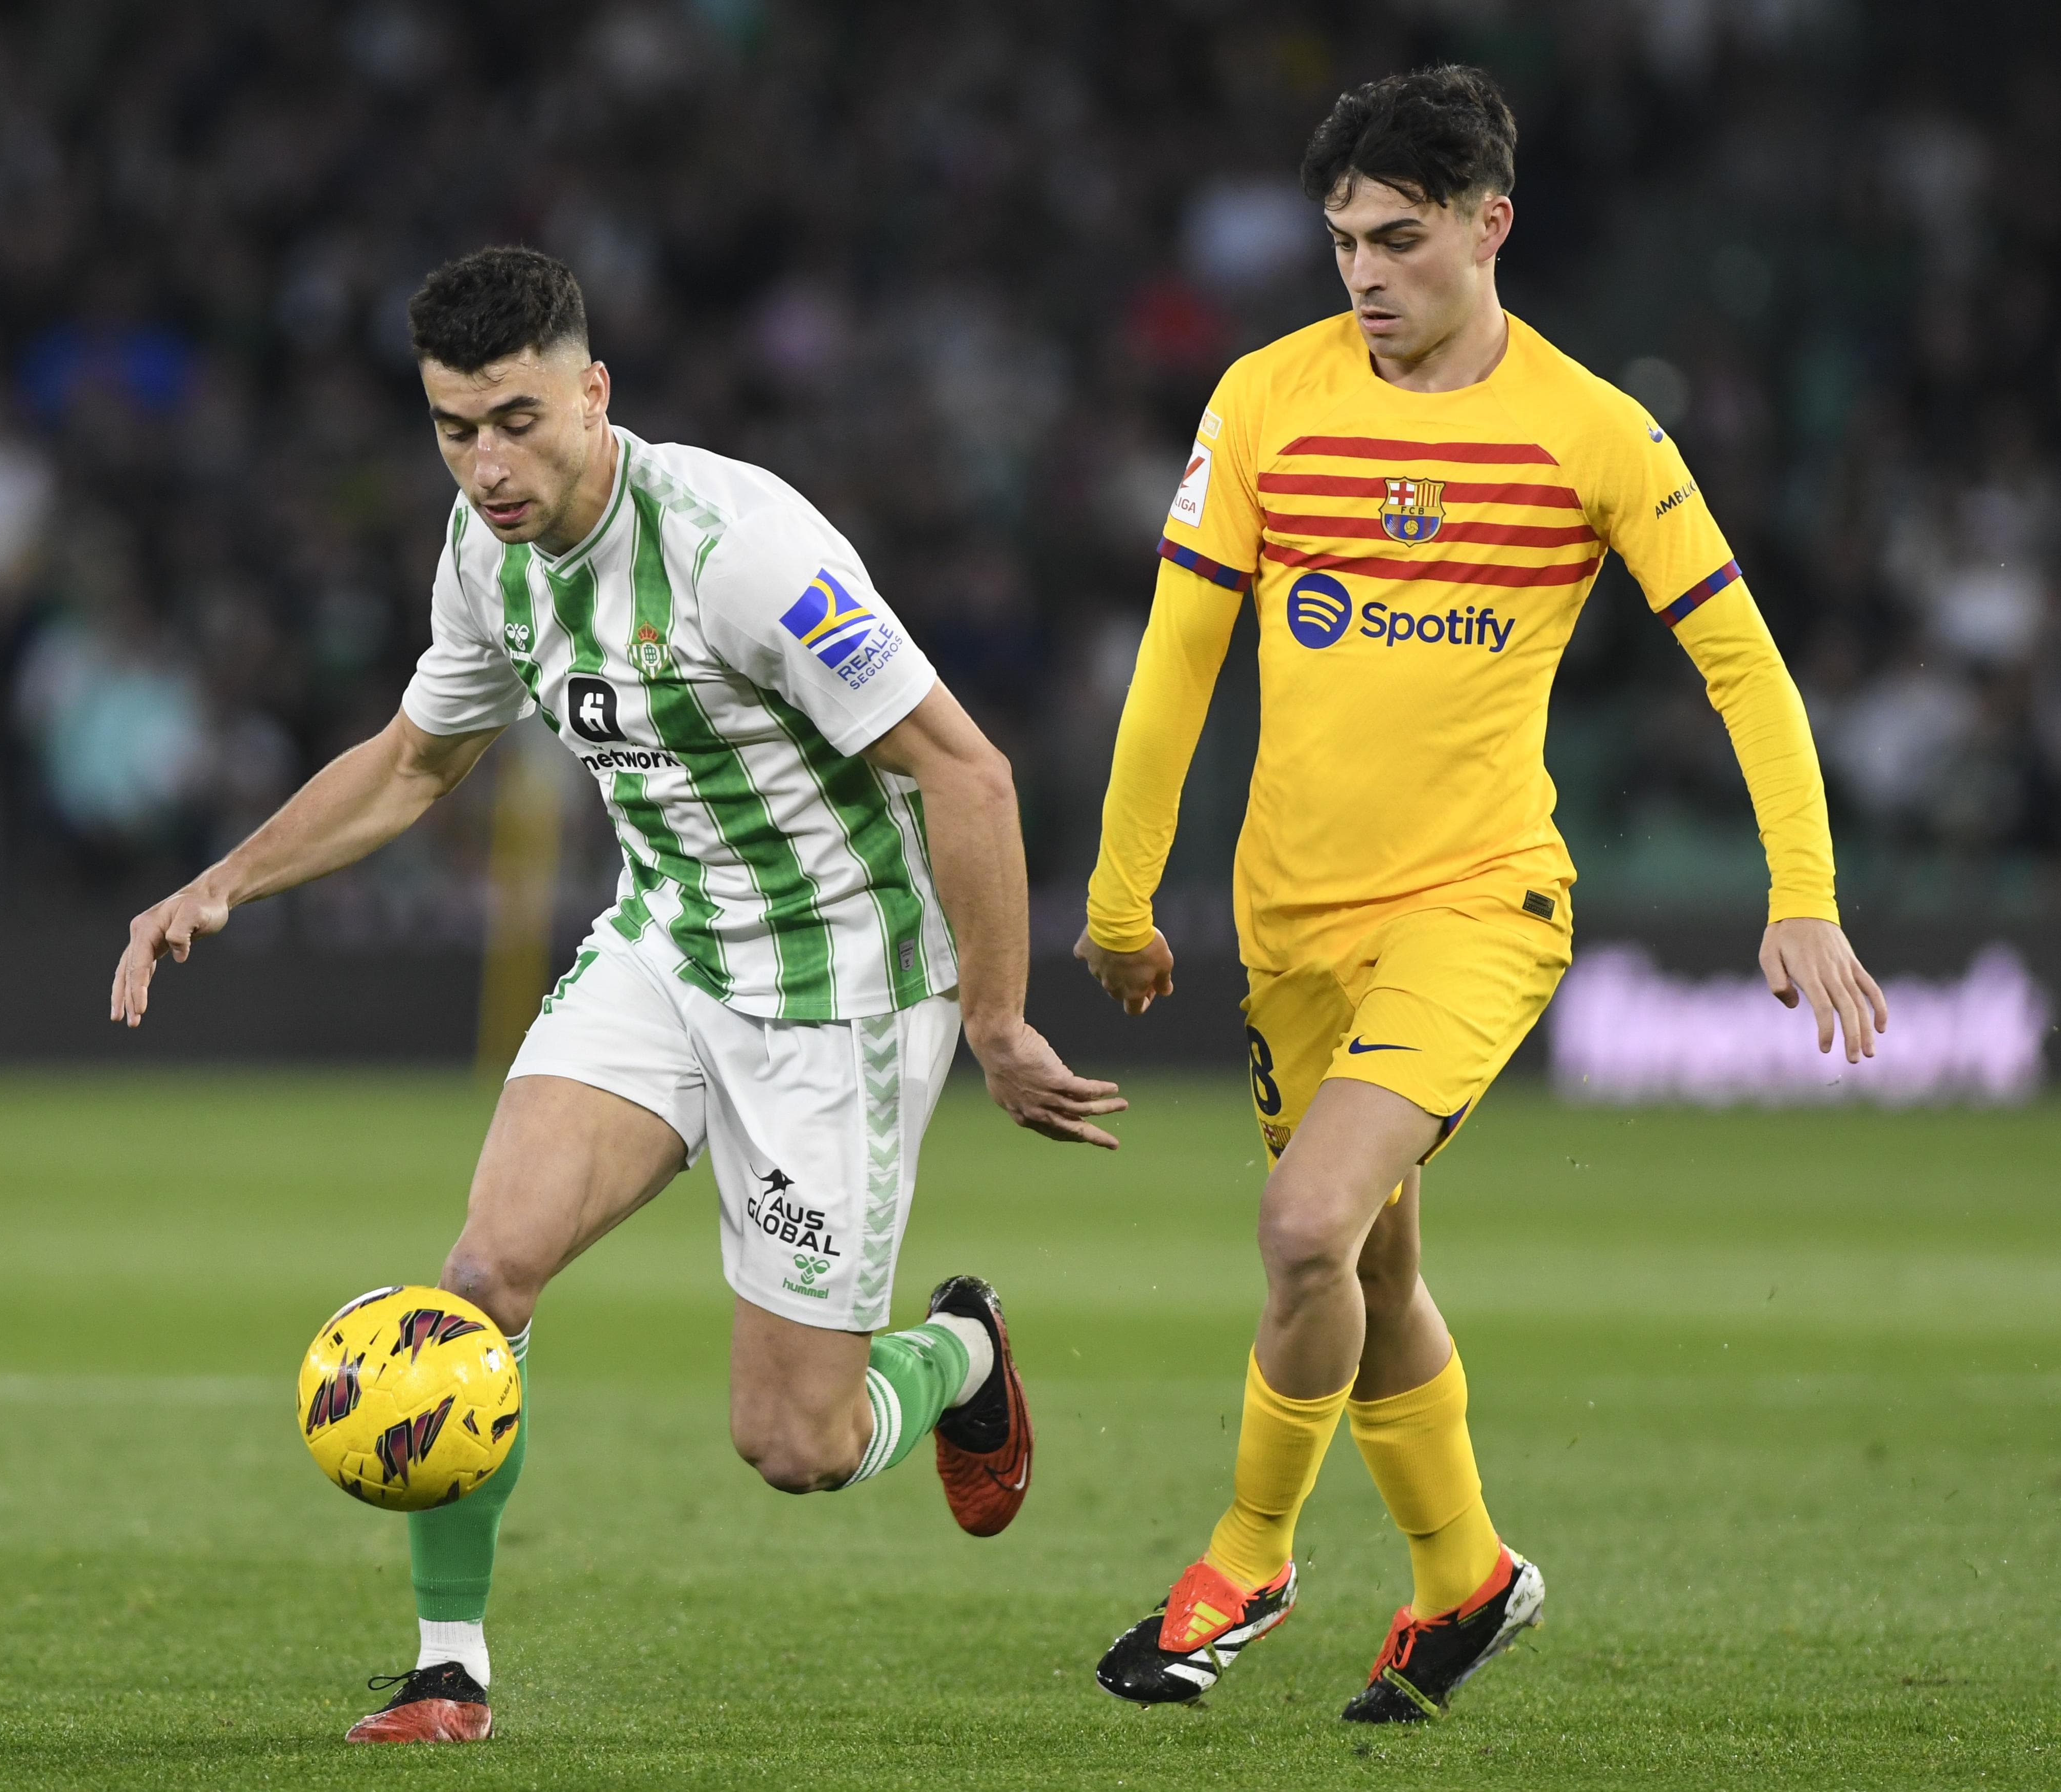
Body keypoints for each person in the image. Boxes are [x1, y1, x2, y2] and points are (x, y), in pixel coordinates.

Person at [110, 247, 1123, 1745]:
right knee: (477, 1283)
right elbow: (411, 760)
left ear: (595, 394)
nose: (486, 462)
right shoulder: (481, 550)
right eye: (454, 428)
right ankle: (448, 1669)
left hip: (833, 988)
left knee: (796, 1445)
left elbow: (967, 771)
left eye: (516, 420)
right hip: (664, 948)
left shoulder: (737, 546)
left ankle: (961, 1351)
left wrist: (993, 1018)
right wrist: (224, 882)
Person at [1077, 67, 1888, 1724]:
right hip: (1290, 926)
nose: (1360, 274)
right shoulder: (1262, 399)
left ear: (1485, 226)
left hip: (1479, 903)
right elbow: (1178, 660)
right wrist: (1118, 892)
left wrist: (1798, 889)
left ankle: (1245, 1563)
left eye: (1394, 239)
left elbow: (1742, 666)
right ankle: (1466, 1585)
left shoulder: (1594, 431)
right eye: (1338, 243)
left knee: (1302, 1225)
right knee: (1364, 1279)